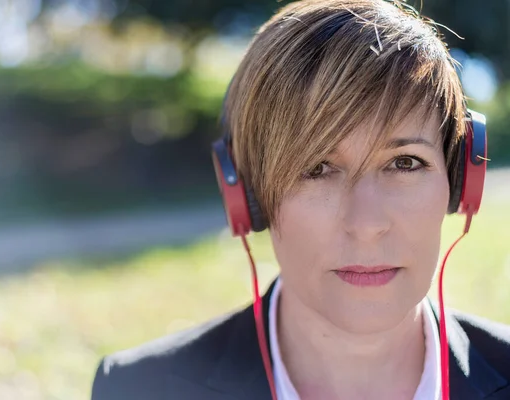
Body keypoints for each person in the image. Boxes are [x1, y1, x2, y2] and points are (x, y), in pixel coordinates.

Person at [91, 0, 510, 399]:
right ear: (248, 194)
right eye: (316, 169)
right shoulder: (138, 388)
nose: (366, 224)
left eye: (404, 163)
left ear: (459, 181)